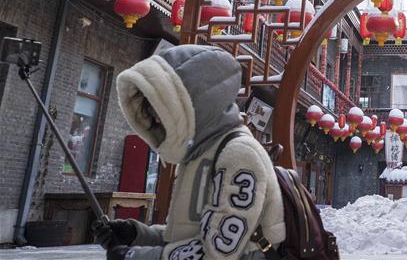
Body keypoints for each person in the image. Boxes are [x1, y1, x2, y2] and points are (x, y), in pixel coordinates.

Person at [93, 45, 285, 259]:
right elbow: (187, 236)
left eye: (164, 107)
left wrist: (135, 256)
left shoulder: (239, 154)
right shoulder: (201, 153)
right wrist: (137, 235)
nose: (157, 118)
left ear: (194, 104)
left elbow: (219, 251)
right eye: (153, 108)